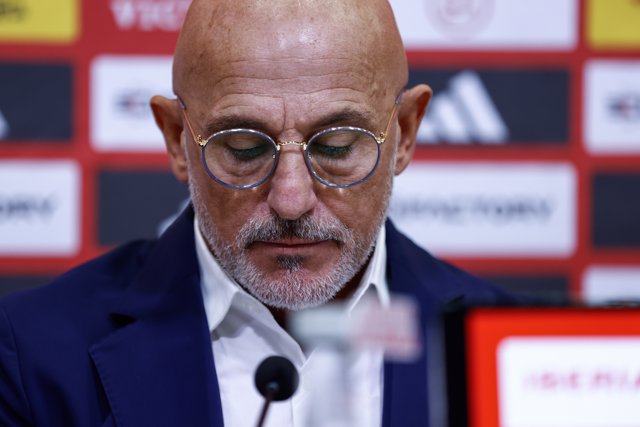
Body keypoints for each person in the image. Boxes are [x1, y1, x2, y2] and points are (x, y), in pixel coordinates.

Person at [0, 0, 517, 425]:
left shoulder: (512, 350)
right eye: (244, 147)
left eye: (337, 146)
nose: (291, 199)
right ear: (178, 140)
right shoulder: (34, 353)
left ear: (404, 132)